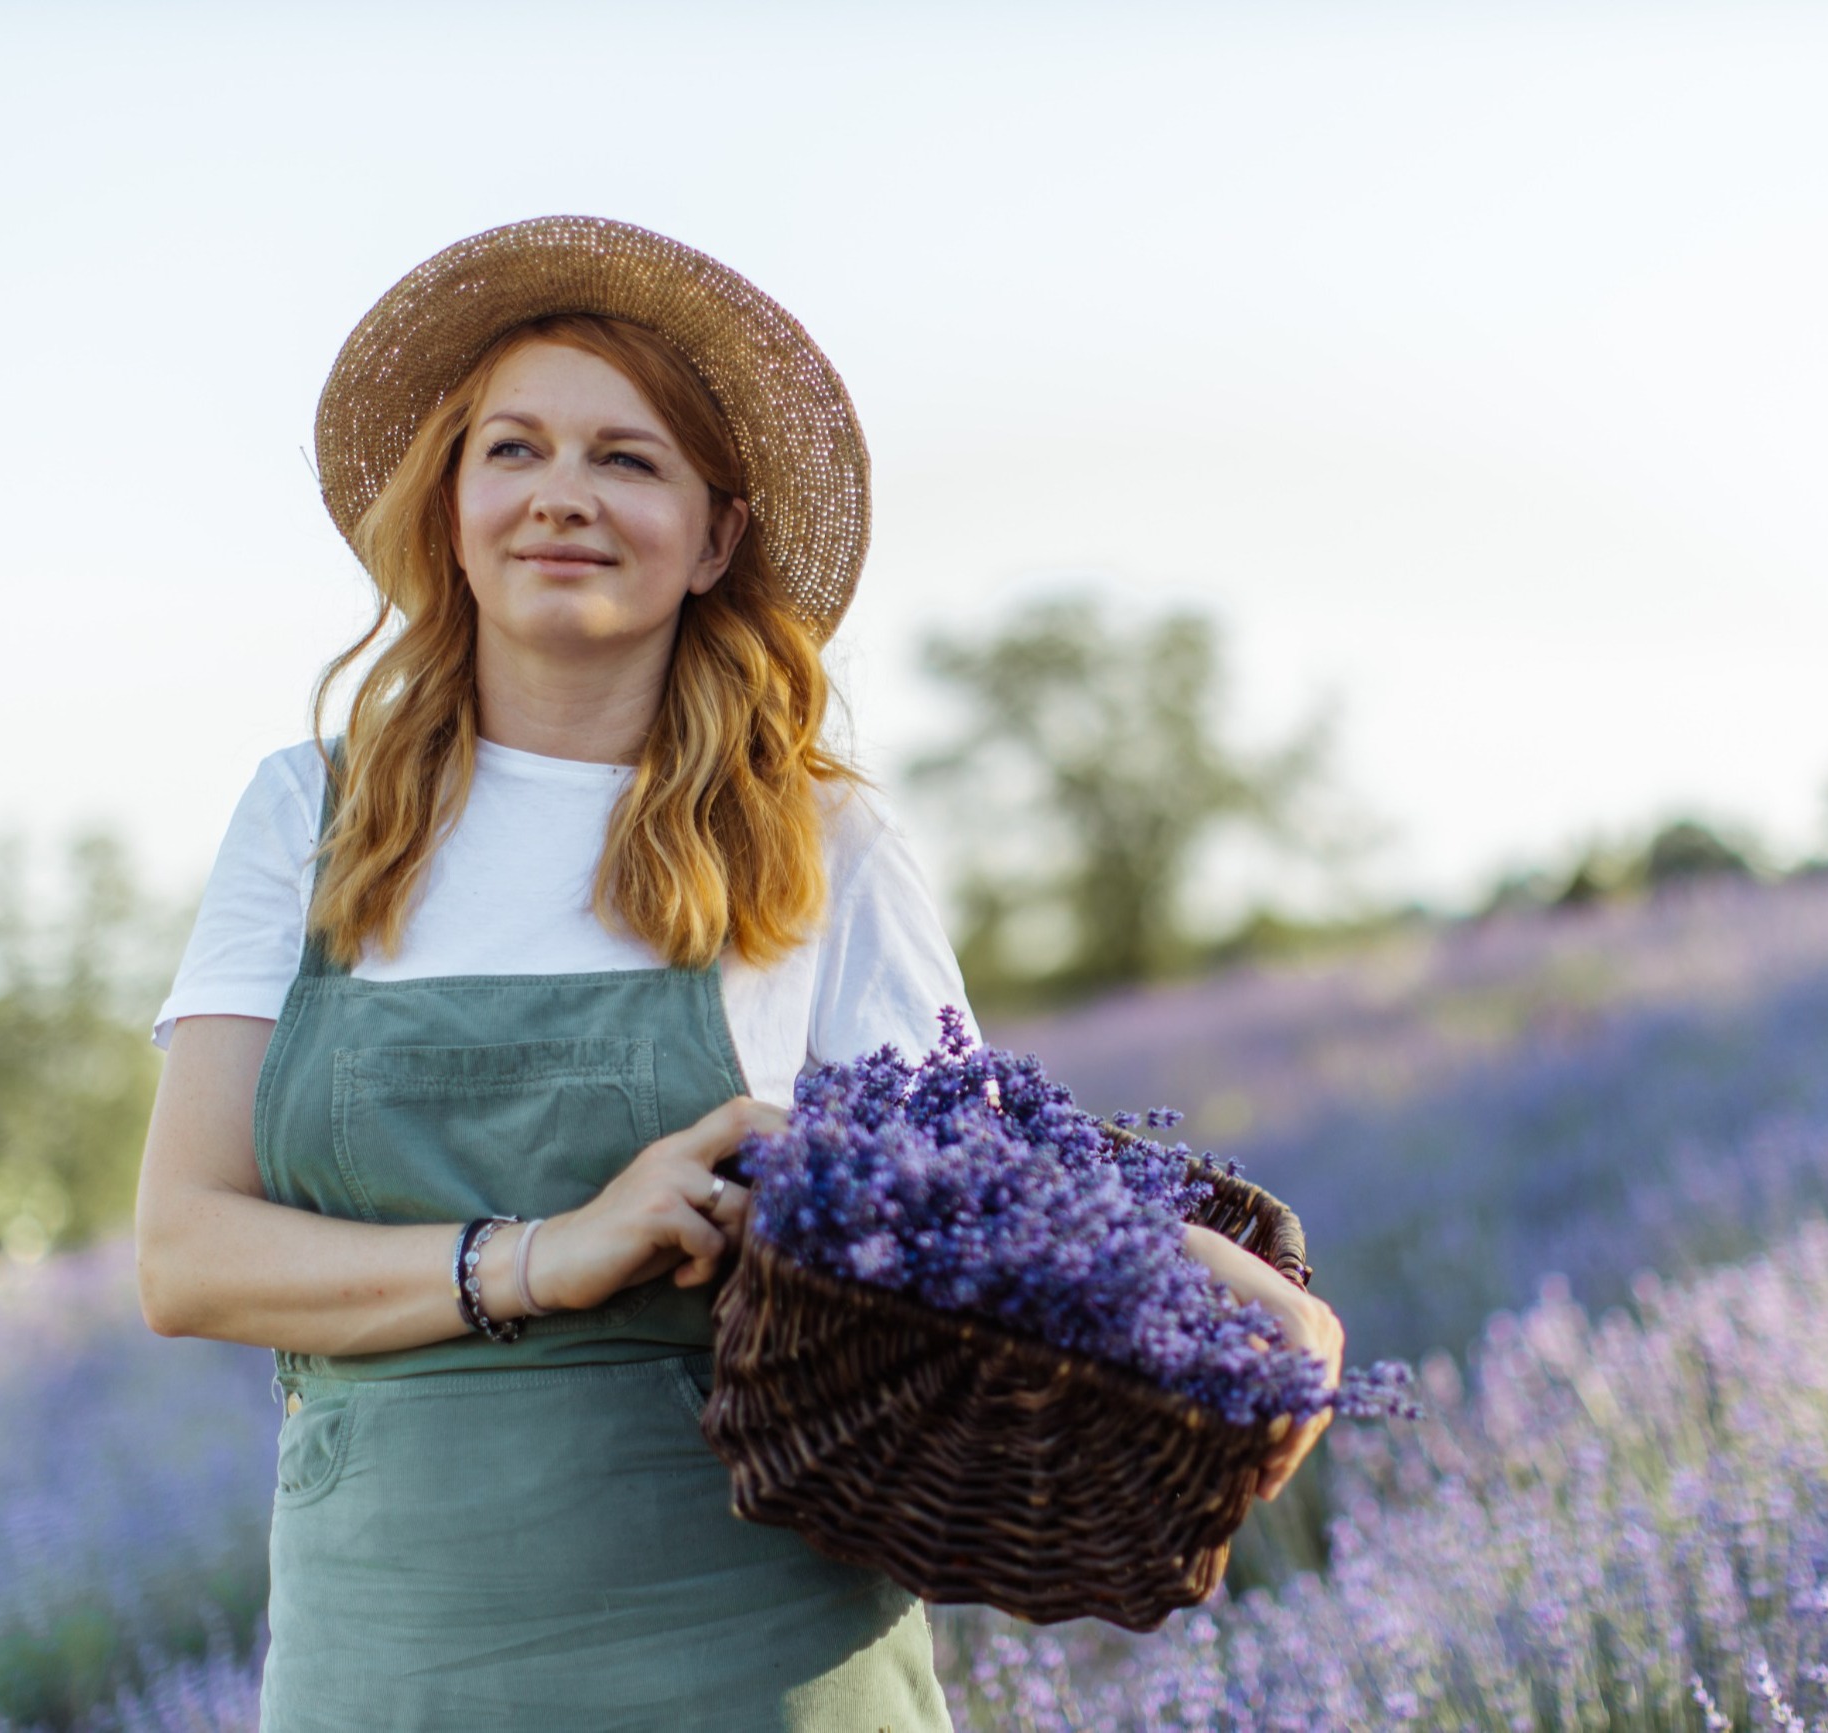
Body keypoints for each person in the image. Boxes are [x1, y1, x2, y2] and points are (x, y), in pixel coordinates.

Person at [134, 216, 1343, 1732]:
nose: (560, 495)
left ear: (715, 535)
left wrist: (1261, 1314)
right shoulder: (310, 816)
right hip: (391, 1650)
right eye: (512, 449)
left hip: (757, 1655)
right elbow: (186, 1255)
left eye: (626, 460)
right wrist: (546, 1250)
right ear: (448, 506)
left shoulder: (820, 836)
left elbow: (995, 1199)